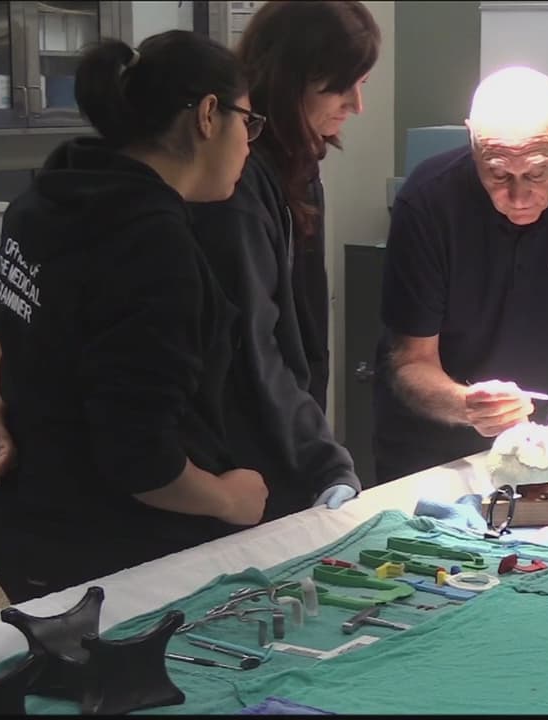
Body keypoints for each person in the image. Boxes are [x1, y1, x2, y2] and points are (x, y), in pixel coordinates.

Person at [0, 31, 268, 603]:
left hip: (25, 529)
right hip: (120, 552)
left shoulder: (46, 198)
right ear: (208, 115)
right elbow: (140, 459)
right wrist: (230, 498)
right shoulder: (151, 243)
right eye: (248, 122)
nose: (250, 145)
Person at [372, 66, 548, 484]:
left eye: (537, 173)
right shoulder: (428, 202)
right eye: (498, 174)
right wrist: (467, 405)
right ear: (472, 142)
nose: (518, 196)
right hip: (433, 449)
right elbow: (410, 362)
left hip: (544, 443)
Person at [188, 0, 379, 516]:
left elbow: (300, 336)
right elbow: (256, 346)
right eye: (342, 87)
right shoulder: (236, 183)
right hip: (239, 459)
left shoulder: (297, 165)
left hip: (282, 438)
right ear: (291, 78)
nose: (357, 105)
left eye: (362, 83)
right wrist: (324, 463)